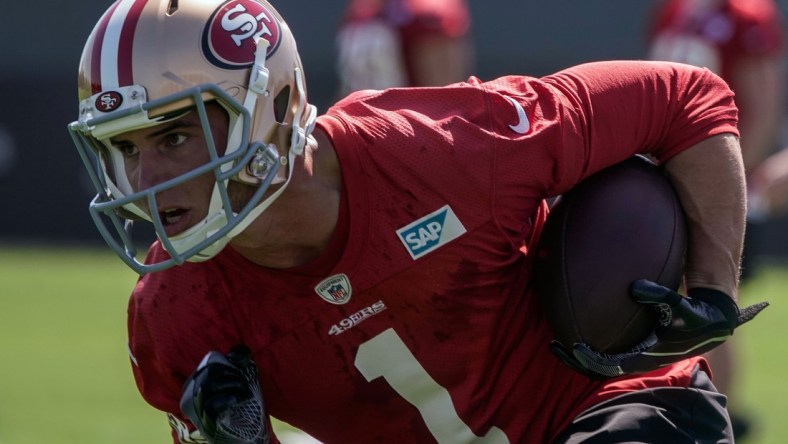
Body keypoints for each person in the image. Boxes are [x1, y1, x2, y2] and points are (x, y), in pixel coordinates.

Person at [69, 0, 767, 442]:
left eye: (173, 136)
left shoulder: (439, 150)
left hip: (612, 409)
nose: (149, 181)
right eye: (124, 149)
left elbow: (689, 98)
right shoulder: (174, 313)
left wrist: (711, 286)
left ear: (270, 106)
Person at [647, 0, 786, 437]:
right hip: (670, 166)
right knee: (669, 298)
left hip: (711, 171)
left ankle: (715, 415)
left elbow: (761, 108)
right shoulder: (675, 10)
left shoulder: (747, 16)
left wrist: (730, 184)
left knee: (707, 298)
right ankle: (684, 403)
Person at [335, 0, 473, 95]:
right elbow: (445, 96)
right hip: (399, 128)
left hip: (366, 125)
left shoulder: (359, 12)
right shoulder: (426, 11)